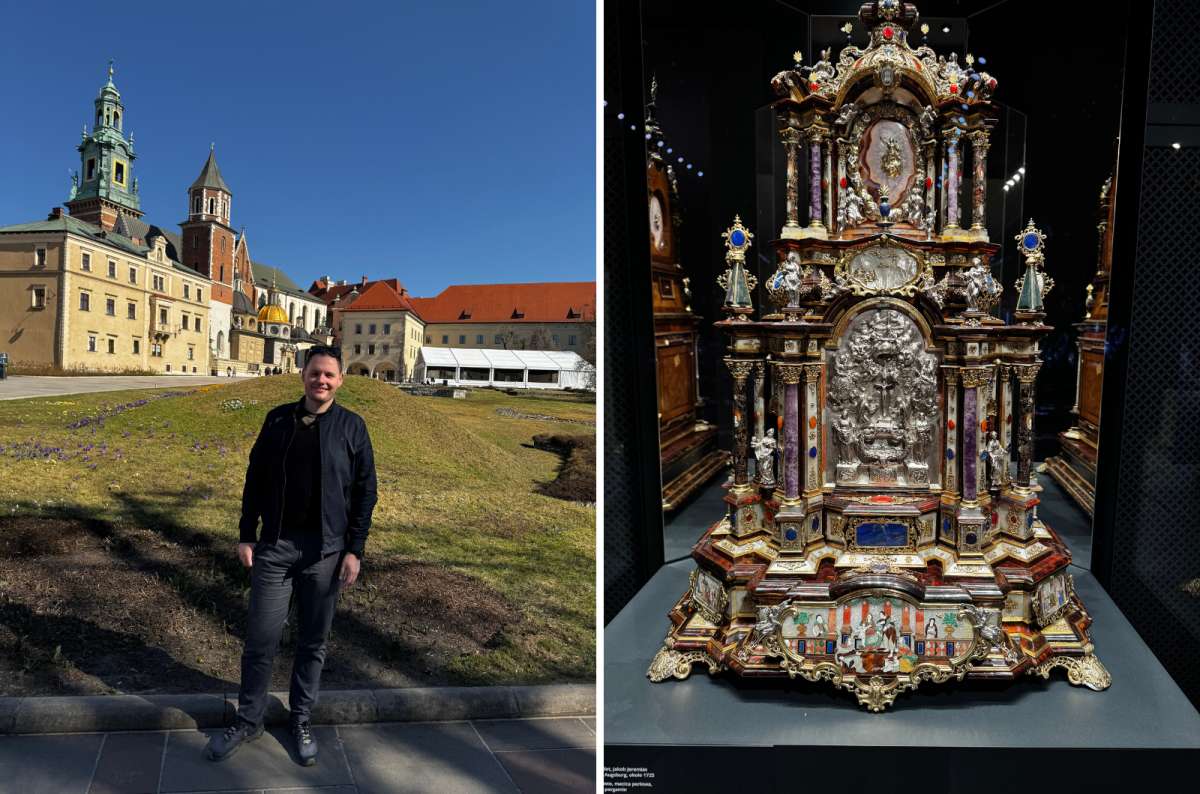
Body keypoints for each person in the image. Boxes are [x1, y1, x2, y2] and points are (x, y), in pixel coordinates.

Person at [205, 345, 377, 766]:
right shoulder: (278, 419)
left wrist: (354, 549)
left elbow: (365, 492)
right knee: (261, 640)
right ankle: (249, 720)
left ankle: (301, 718)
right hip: (275, 548)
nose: (321, 381)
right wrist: (247, 534)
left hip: (327, 552)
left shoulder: (352, 427)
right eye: (315, 373)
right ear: (303, 375)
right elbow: (256, 477)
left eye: (329, 375)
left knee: (312, 641)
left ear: (340, 381)